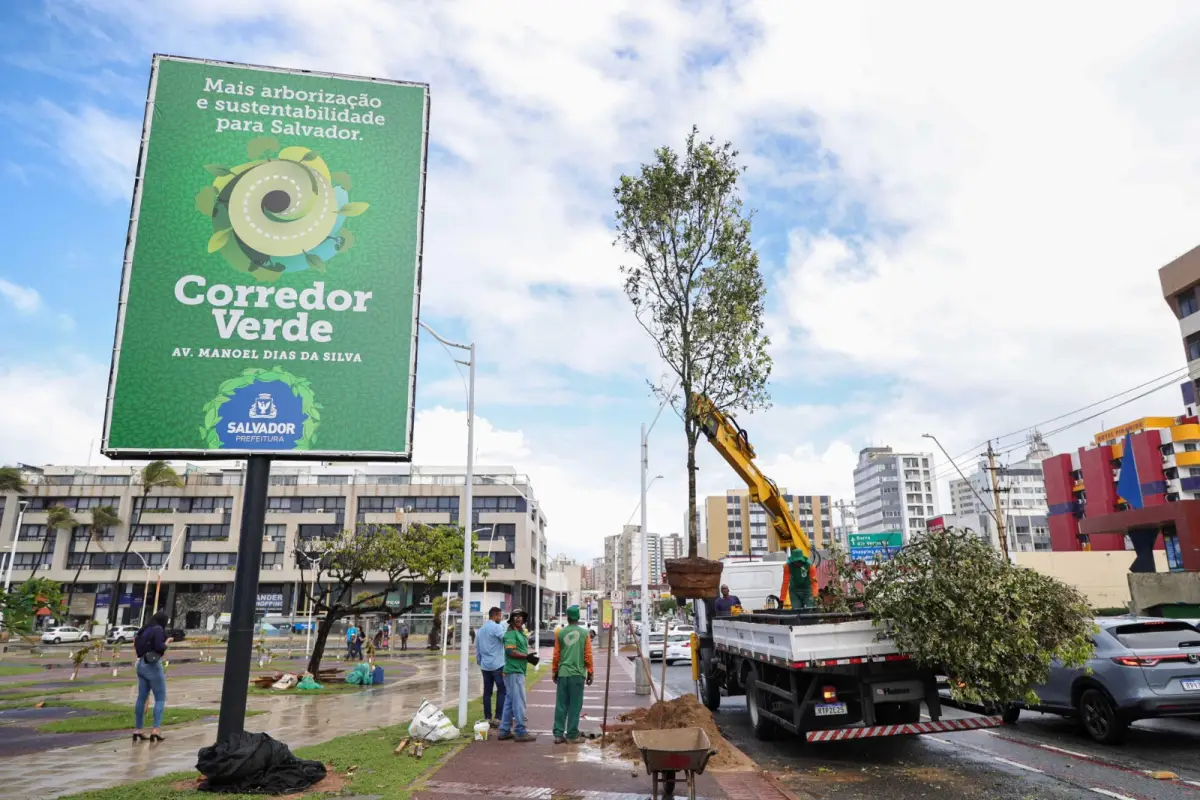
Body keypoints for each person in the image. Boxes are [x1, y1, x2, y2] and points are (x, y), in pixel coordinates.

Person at [551, 606, 594, 744]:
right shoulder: (584, 633)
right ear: (578, 618)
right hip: (577, 674)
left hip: (563, 673)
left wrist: (554, 671)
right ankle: (572, 735)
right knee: (575, 706)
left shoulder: (560, 633)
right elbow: (588, 655)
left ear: (567, 617)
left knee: (561, 705)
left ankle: (558, 734)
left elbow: (556, 654)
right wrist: (590, 672)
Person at [497, 608, 538, 742]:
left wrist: (527, 657)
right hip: (514, 672)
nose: (519, 618)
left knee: (510, 702)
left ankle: (504, 730)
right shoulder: (510, 633)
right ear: (512, 619)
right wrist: (527, 657)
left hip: (515, 671)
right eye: (516, 616)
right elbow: (510, 652)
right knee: (519, 702)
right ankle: (520, 731)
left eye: (521, 616)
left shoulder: (519, 632)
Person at [132, 611, 171, 742]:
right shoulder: (158, 629)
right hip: (153, 665)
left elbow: (135, 644)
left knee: (141, 697)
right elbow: (159, 647)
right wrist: (168, 642)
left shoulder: (144, 630)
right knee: (160, 698)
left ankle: (138, 729)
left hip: (141, 664)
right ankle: (156, 730)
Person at [475, 607, 507, 728]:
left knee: (487, 693)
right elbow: (506, 639)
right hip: (498, 665)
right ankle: (498, 718)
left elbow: (477, 648)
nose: (501, 618)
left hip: (485, 666)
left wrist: (480, 661)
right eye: (500, 616)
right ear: (495, 616)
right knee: (502, 690)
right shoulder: (496, 627)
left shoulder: (481, 630)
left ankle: (487, 718)